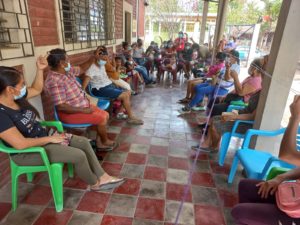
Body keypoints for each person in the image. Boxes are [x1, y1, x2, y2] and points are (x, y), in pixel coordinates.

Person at [0, 60, 125, 191]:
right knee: (79, 155)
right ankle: (95, 183)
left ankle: (103, 176)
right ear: (10, 89)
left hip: (43, 139)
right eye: (22, 84)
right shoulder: (2, 114)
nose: (24, 87)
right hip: (28, 153)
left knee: (83, 142)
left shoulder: (16, 97)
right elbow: (20, 144)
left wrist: (40, 69)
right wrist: (50, 139)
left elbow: (37, 89)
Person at [231, 95, 300, 225]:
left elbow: (287, 155)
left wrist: (295, 117)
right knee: (245, 186)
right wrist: (281, 177)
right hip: (294, 193)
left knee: (240, 212)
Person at [45, 48, 116, 151]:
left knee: (105, 115)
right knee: (102, 118)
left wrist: (94, 57)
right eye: (67, 59)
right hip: (69, 114)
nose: (69, 61)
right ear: (62, 63)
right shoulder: (54, 81)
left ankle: (100, 142)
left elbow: (82, 68)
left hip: (82, 106)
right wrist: (84, 110)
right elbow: (61, 107)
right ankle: (104, 142)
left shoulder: (66, 71)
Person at [83, 46, 144, 125]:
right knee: (125, 95)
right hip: (100, 89)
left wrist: (114, 83)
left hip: (108, 86)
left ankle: (120, 113)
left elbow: (108, 75)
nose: (105, 61)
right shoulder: (91, 69)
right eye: (103, 59)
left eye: (106, 59)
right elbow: (83, 87)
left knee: (128, 92)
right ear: (97, 57)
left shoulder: (101, 66)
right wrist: (87, 97)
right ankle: (131, 117)